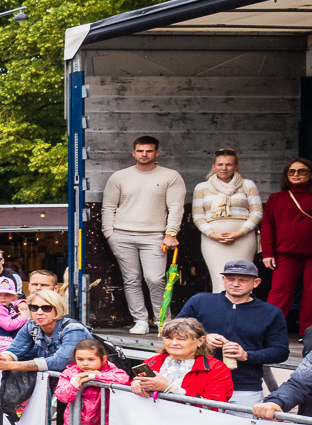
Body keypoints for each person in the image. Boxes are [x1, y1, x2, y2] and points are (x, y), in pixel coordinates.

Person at [102, 136, 186, 333]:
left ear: (157, 153)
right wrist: (109, 234)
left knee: (155, 278)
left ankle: (162, 320)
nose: (144, 154)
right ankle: (140, 320)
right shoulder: (119, 177)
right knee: (131, 279)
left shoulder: (170, 176)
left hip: (154, 235)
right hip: (122, 234)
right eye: (140, 151)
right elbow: (108, 206)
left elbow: (176, 207)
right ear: (133, 153)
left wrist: (171, 233)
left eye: (149, 151)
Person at [175, 259, 286, 405]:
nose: (235, 284)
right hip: (197, 382)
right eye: (230, 279)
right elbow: (174, 331)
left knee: (243, 421)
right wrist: (202, 338)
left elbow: (281, 351)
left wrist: (247, 355)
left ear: (256, 282)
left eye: (243, 280)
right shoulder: (200, 301)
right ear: (223, 279)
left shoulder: (270, 312)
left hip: (244, 388)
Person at [261, 158, 312, 336]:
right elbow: (268, 227)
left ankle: (311, 333)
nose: (296, 174)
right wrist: (267, 253)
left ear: (311, 175)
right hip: (285, 252)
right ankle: (269, 331)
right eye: (291, 171)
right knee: (279, 292)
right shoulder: (276, 198)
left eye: (301, 171)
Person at [192, 151, 263, 297]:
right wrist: (213, 235)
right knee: (220, 279)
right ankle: (219, 310)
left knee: (241, 278)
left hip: (243, 239)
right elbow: (198, 216)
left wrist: (240, 233)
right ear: (214, 166)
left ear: (236, 167)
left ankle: (242, 308)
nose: (224, 168)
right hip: (213, 240)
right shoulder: (202, 187)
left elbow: (256, 212)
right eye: (220, 164)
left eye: (228, 164)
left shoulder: (247, 184)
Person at [0, 288, 90, 374]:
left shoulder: (73, 329)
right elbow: (15, 350)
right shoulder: (31, 325)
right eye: (34, 308)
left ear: (58, 309)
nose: (39, 312)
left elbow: (60, 362)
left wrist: (11, 365)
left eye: (46, 308)